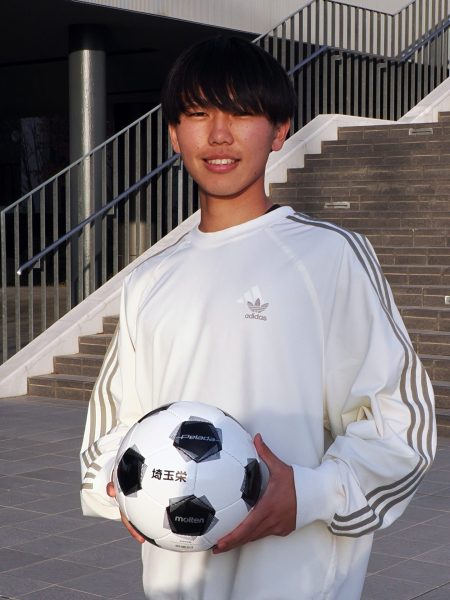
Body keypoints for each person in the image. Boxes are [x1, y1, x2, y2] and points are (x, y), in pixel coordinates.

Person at [80, 36, 436, 600]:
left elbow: (401, 424)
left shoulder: (330, 256)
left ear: (279, 130)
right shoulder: (148, 279)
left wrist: (309, 495)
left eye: (242, 113)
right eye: (199, 113)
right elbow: (110, 432)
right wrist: (122, 485)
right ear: (173, 134)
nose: (219, 134)